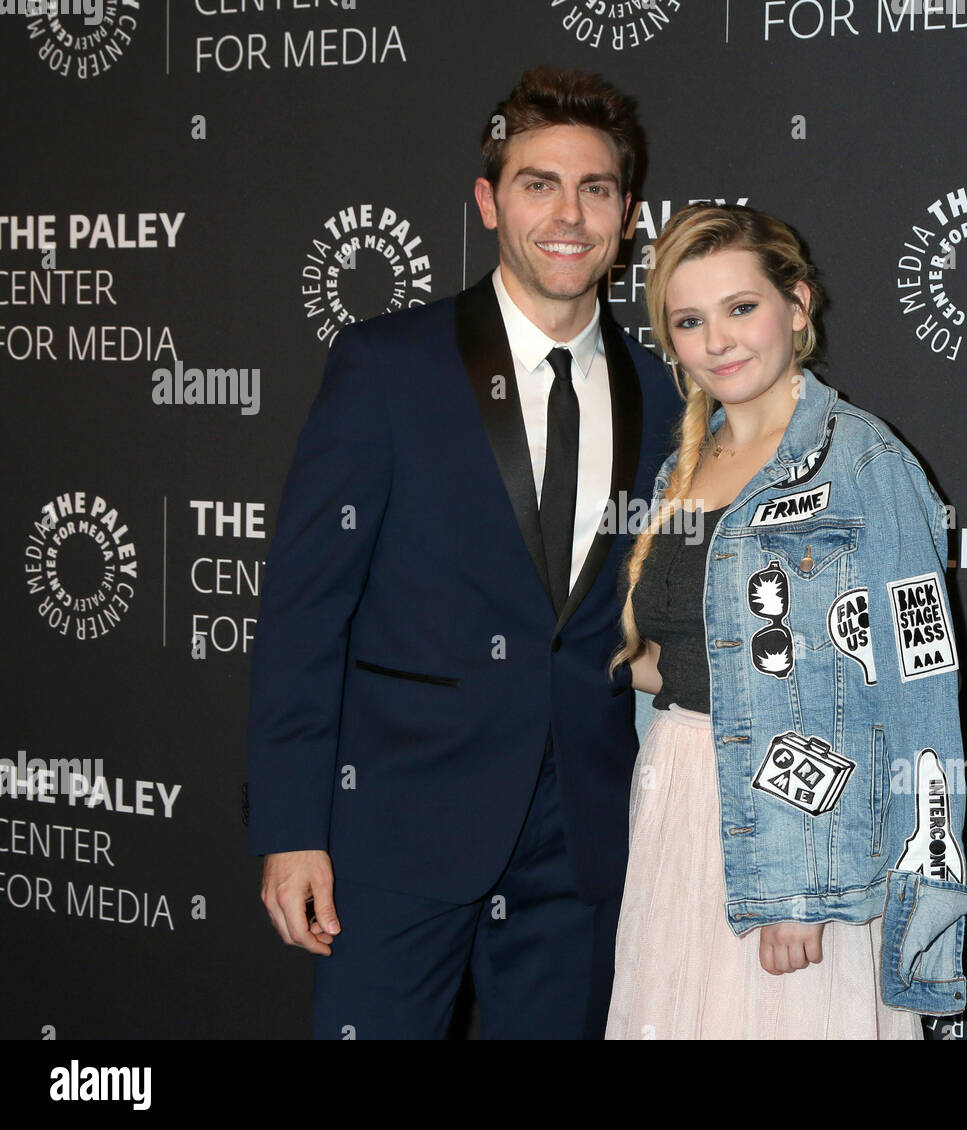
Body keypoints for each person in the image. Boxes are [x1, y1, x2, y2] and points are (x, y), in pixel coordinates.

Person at [246, 66, 679, 1039]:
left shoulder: (664, 390)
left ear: (628, 214)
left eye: (594, 188)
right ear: (489, 201)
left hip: (583, 841)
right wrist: (290, 827)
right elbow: (305, 612)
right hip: (398, 828)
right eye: (538, 183)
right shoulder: (387, 366)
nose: (567, 214)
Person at [604, 204, 967, 1039]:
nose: (720, 340)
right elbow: (693, 663)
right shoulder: (681, 468)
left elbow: (916, 695)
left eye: (742, 308)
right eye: (690, 321)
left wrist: (811, 883)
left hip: (804, 846)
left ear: (797, 306)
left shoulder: (864, 461)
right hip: (679, 810)